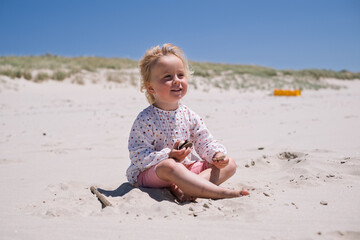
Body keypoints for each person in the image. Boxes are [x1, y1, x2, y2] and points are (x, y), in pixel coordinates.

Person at [126, 43, 248, 202]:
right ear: (151, 88)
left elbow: (204, 141)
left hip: (185, 170)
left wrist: (216, 155)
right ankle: (221, 193)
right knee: (169, 166)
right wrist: (168, 154)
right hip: (155, 173)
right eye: (168, 77)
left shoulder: (189, 115)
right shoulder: (145, 119)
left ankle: (187, 189)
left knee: (229, 164)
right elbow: (138, 155)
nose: (176, 81)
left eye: (180, 75)